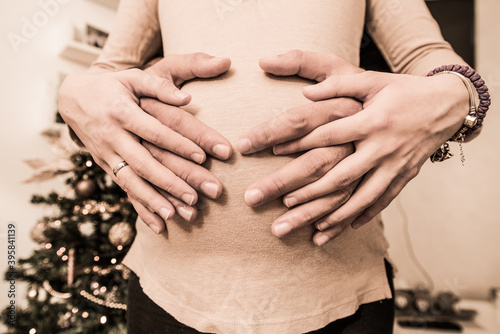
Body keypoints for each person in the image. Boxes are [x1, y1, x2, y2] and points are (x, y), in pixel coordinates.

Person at [58, 0, 486, 333]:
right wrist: (74, 95)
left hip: (343, 287)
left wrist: (456, 97)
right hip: (167, 286)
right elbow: (105, 74)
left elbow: (433, 60)